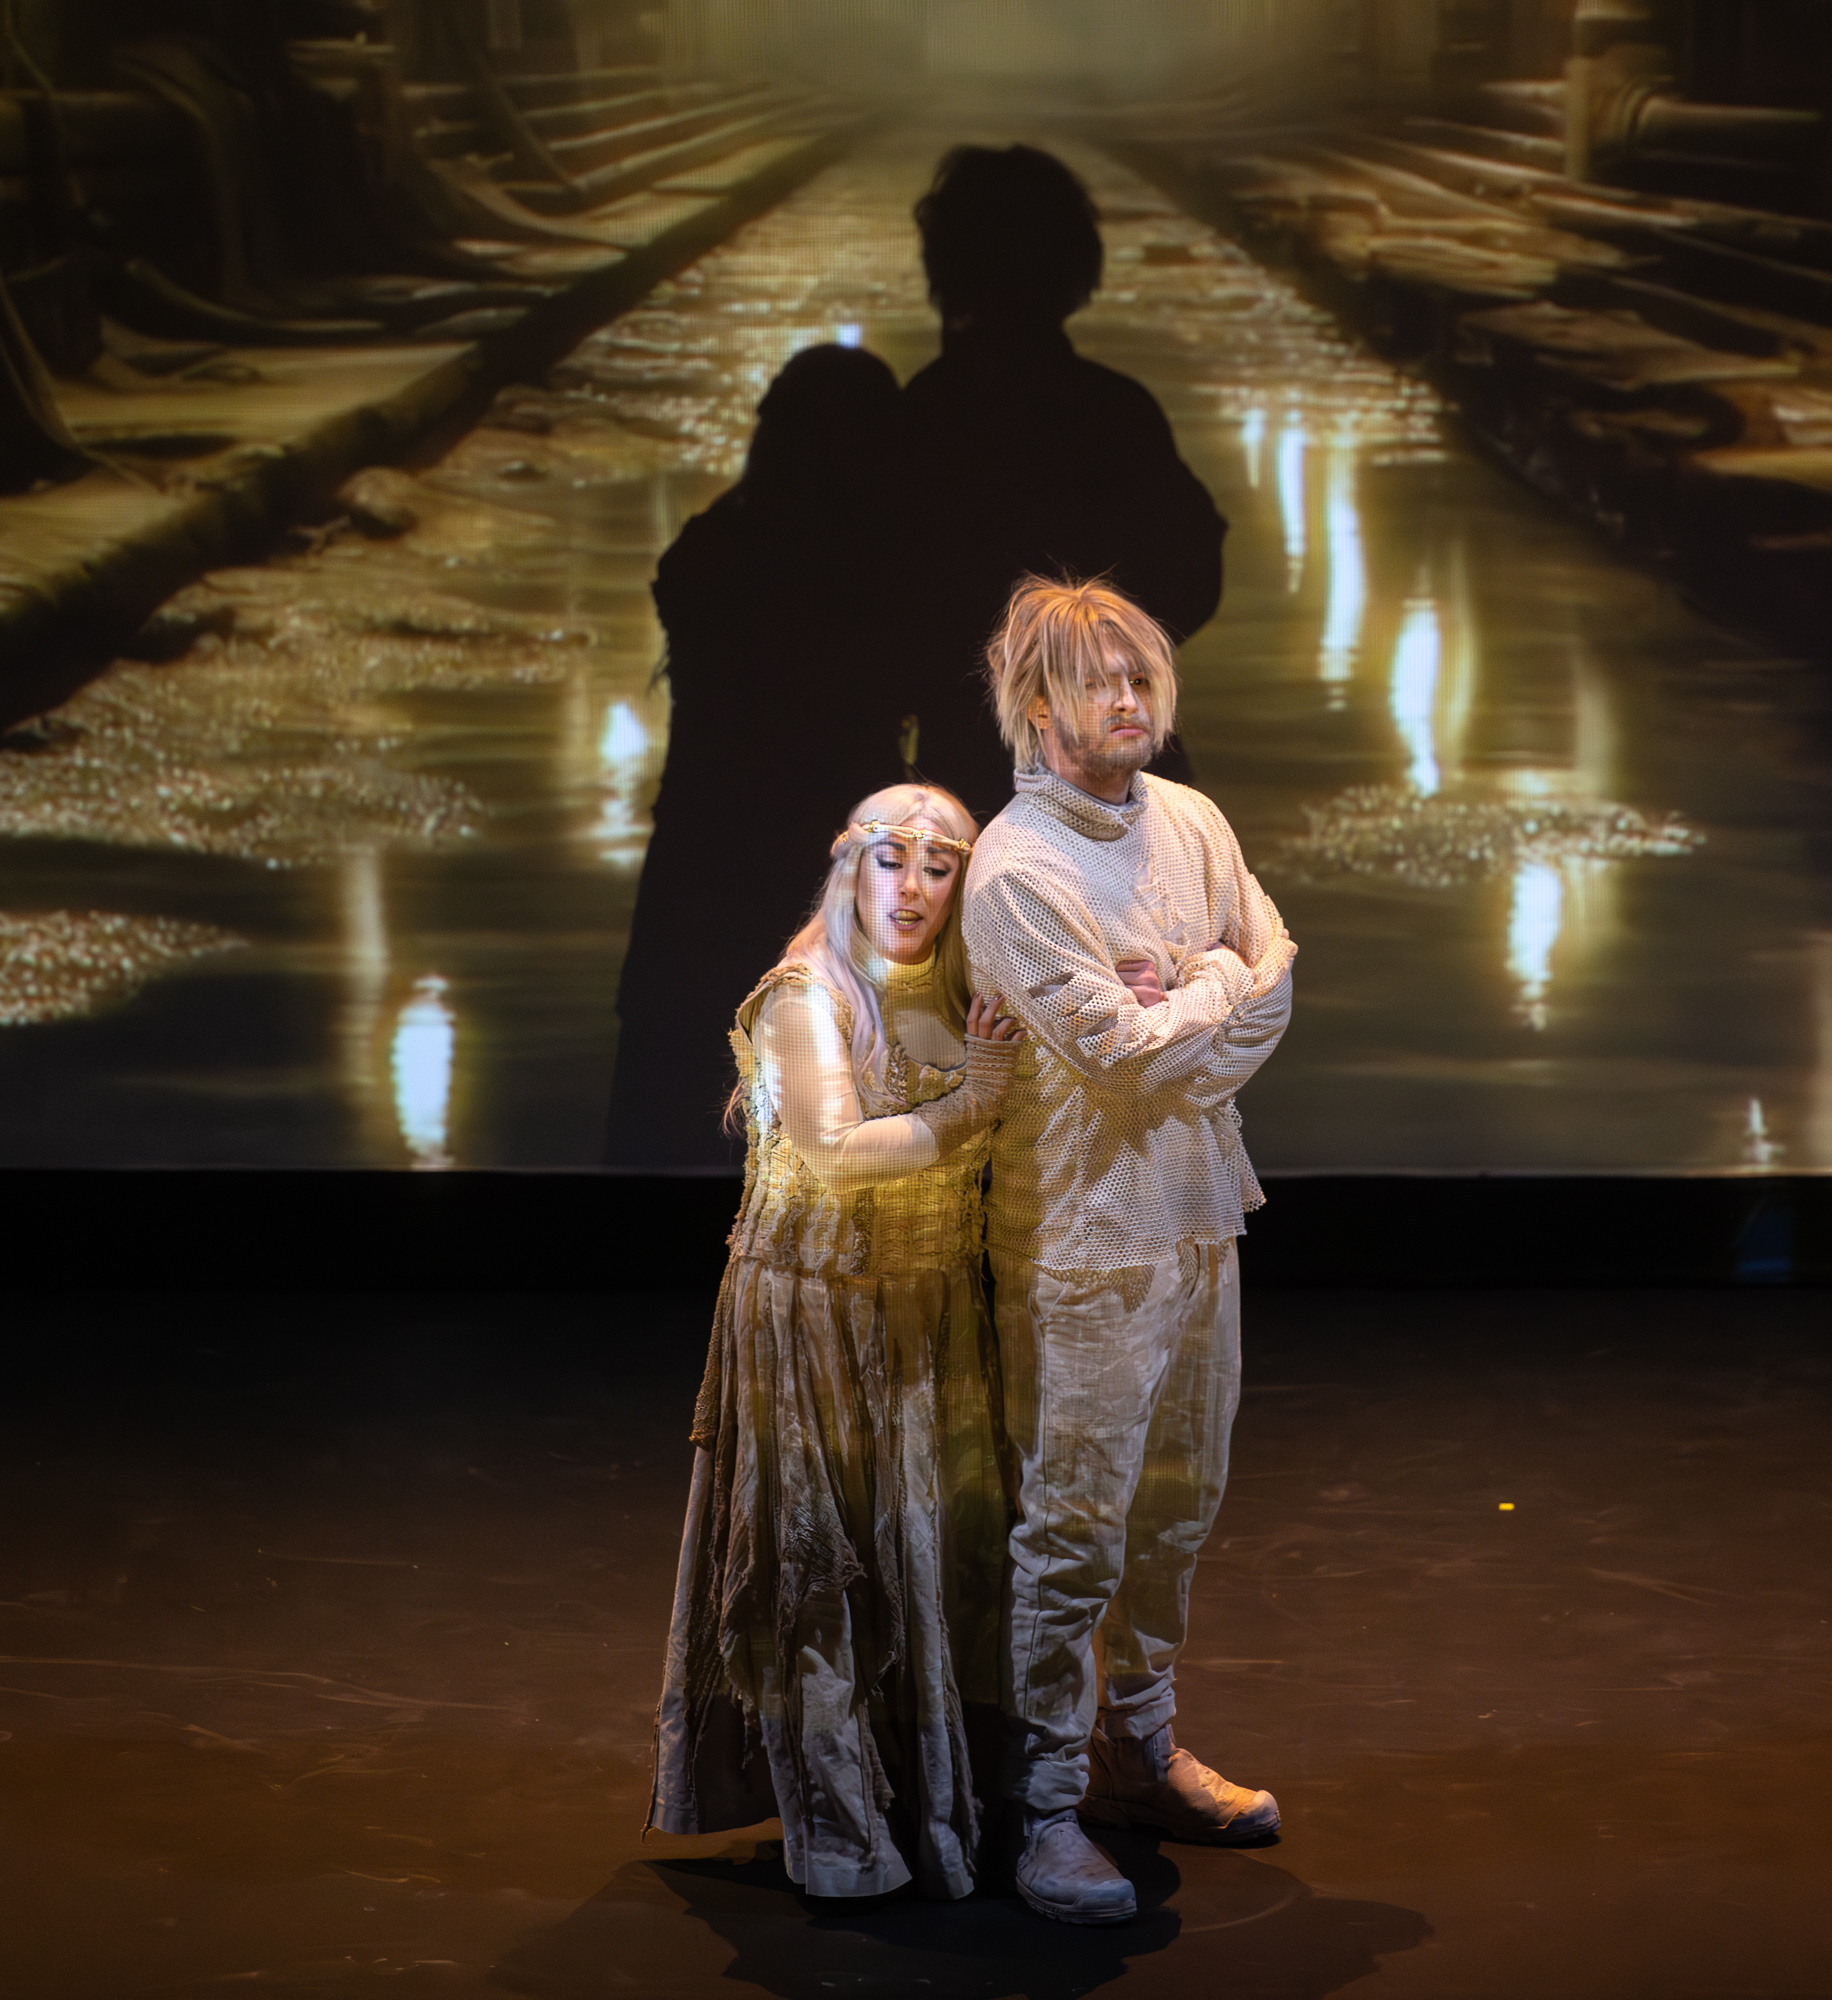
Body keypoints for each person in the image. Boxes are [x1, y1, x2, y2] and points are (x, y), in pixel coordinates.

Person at [958, 579, 1296, 1925]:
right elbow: (1125, 1057)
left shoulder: (1195, 821)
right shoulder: (1016, 869)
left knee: (1178, 1504)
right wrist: (1216, 984)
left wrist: (1200, 986)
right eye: (1098, 680)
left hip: (1201, 1213)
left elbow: (1276, 974)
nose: (1129, 699)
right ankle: (1045, 1807)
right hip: (1085, 1241)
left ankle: (1137, 1755)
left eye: (1142, 675)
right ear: (1037, 705)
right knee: (1077, 1523)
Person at [651, 782, 1025, 1902]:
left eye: (938, 867)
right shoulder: (805, 994)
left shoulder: (965, 994)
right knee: (821, 1564)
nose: (911, 888)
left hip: (933, 1306)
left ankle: (933, 1801)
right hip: (814, 1308)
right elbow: (834, 1150)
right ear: (850, 869)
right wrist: (974, 1104)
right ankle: (838, 1827)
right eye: (890, 861)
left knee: (934, 1552)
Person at [605, 344, 913, 1165]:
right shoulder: (874, 571)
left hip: (702, 856)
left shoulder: (712, 550)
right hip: (826, 856)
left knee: (677, 1094)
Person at [899, 145, 1228, 823]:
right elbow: (1193, 577)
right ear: (1074, 269)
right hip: (1119, 770)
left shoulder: (916, 419)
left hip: (963, 767)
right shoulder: (1116, 414)